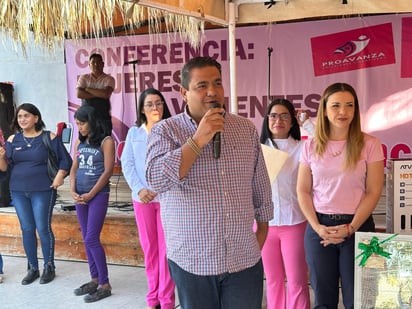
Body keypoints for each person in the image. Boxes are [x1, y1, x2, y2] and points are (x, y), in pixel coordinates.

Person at [145, 56, 274, 309]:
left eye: (217, 83)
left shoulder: (244, 128)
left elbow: (260, 187)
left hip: (243, 260)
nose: (212, 92)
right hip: (193, 262)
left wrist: (261, 233)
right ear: (184, 92)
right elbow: (156, 179)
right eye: (201, 85)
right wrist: (198, 139)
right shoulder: (166, 131)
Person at [296, 83, 384, 309]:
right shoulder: (311, 146)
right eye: (335, 106)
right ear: (324, 110)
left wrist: (351, 227)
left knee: (360, 300)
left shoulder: (370, 144)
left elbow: (374, 191)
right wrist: (317, 227)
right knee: (323, 300)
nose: (343, 112)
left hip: (359, 227)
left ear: (355, 110)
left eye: (349, 105)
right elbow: (303, 190)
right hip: (320, 228)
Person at [0, 103, 72, 285]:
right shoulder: (12, 140)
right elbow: (4, 168)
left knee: (42, 227)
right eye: (19, 117)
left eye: (26, 116)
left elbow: (66, 160)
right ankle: (32, 267)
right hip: (17, 191)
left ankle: (49, 266)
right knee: (26, 229)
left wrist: (59, 177)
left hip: (43, 190)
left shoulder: (49, 137)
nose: (22, 119)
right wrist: (1, 157)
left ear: (36, 118)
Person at [121, 88, 175, 309]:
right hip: (142, 199)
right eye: (150, 104)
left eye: (159, 103)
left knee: (166, 250)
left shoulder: (172, 131)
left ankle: (166, 300)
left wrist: (160, 188)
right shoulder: (134, 133)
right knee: (150, 249)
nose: (155, 107)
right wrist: (140, 189)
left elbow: (176, 164)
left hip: (166, 199)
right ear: (142, 109)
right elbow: (128, 163)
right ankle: (152, 298)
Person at [260, 99, 313, 309]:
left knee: (297, 280)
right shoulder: (258, 149)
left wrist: (307, 123)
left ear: (292, 121)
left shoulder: (302, 148)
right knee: (272, 280)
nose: (278, 120)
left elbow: (324, 143)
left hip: (294, 223)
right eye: (273, 115)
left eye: (284, 116)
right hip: (265, 225)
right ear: (267, 120)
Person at [70, 105, 115, 303]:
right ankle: (94, 279)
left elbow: (107, 172)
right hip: (80, 196)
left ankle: (105, 283)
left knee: (91, 238)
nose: (78, 127)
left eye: (82, 123)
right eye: (77, 123)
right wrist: (72, 190)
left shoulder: (106, 141)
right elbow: (73, 168)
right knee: (86, 237)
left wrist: (90, 194)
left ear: (92, 121)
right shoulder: (79, 142)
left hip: (97, 195)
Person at [76, 53, 115, 135]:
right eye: (93, 62)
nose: (96, 64)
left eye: (98, 62)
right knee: (86, 145)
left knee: (104, 143)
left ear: (103, 64)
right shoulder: (84, 78)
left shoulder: (109, 79)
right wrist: (99, 93)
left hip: (103, 118)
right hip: (86, 119)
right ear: (89, 64)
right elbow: (79, 94)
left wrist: (87, 89)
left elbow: (106, 94)